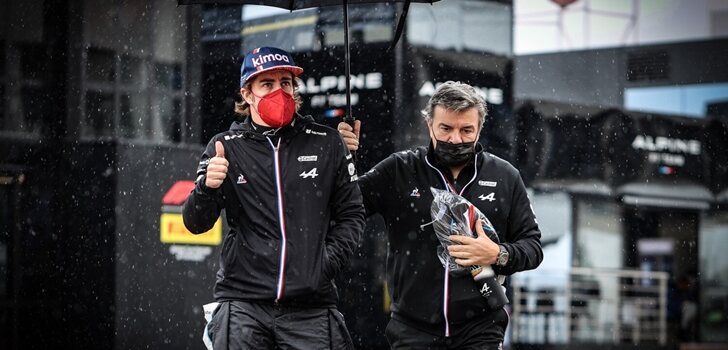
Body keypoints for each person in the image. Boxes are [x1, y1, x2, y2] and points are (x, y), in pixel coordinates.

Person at [183, 46, 365, 350]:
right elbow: (195, 222)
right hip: (243, 303)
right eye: (267, 84)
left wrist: (325, 262)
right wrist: (207, 188)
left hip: (311, 306)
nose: (280, 91)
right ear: (247, 93)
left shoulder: (327, 141)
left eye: (286, 83)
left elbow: (352, 214)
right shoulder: (225, 146)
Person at [338, 81, 543, 349]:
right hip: (412, 328)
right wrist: (339, 157)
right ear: (429, 125)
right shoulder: (400, 169)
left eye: (466, 130)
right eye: (446, 128)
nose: (455, 139)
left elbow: (533, 247)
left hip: (481, 329)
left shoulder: (505, 176)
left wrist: (497, 254)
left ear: (480, 129)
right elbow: (343, 207)